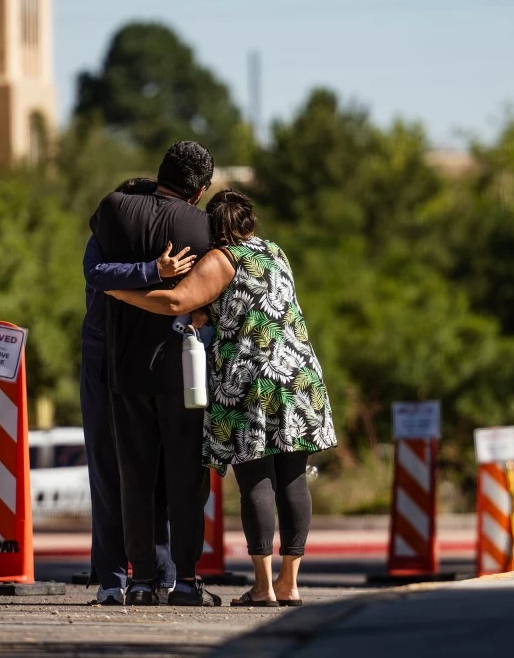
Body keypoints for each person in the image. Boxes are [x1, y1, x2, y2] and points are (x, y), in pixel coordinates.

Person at [107, 189, 338, 607]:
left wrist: (119, 290)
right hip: (301, 375)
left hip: (251, 381)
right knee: (293, 478)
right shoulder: (274, 251)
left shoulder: (221, 259)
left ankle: (264, 587)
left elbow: (176, 300)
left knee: (256, 480)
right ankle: (290, 583)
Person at [90, 141, 220, 606]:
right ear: (200, 190)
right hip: (183, 372)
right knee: (186, 478)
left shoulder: (113, 208)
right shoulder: (203, 226)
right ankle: (185, 581)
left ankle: (141, 580)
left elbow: (95, 271)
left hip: (123, 367)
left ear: (158, 171)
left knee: (134, 476)